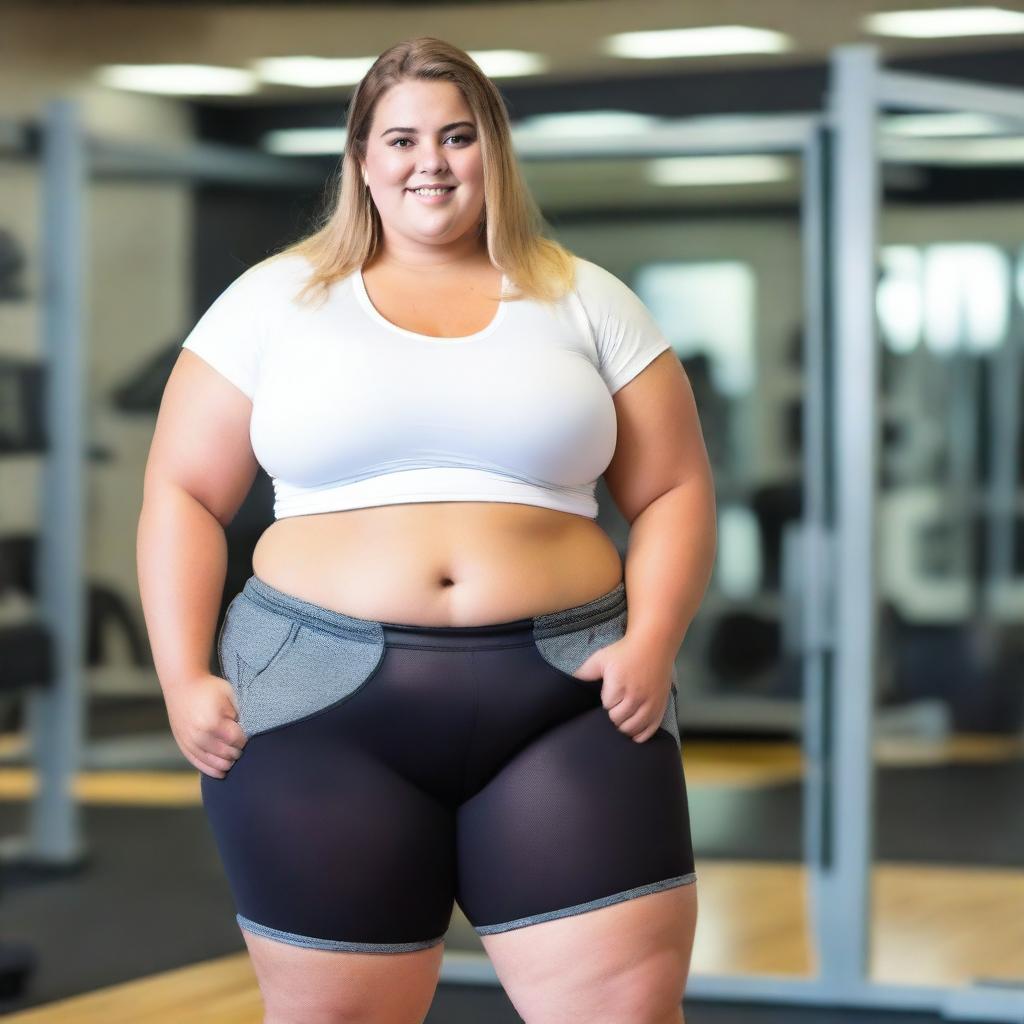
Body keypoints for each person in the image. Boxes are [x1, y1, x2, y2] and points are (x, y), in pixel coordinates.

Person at [137, 35, 716, 1024]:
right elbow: (182, 494)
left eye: (457, 135)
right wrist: (180, 672)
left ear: (494, 150)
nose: (430, 161)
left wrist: (654, 638)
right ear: (361, 158)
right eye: (400, 138)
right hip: (317, 703)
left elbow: (674, 489)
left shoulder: (585, 299)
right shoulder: (274, 302)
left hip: (567, 697)